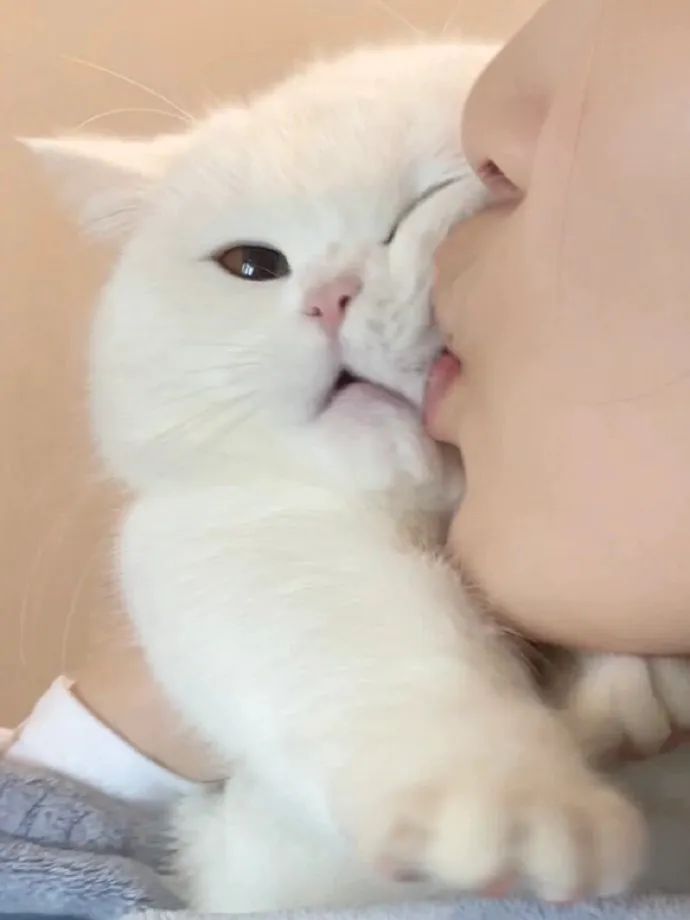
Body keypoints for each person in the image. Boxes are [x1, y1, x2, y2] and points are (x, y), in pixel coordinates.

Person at [5, 0, 690, 877]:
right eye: (252, 263)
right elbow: (281, 592)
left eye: (424, 208)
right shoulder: (219, 523)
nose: (332, 303)